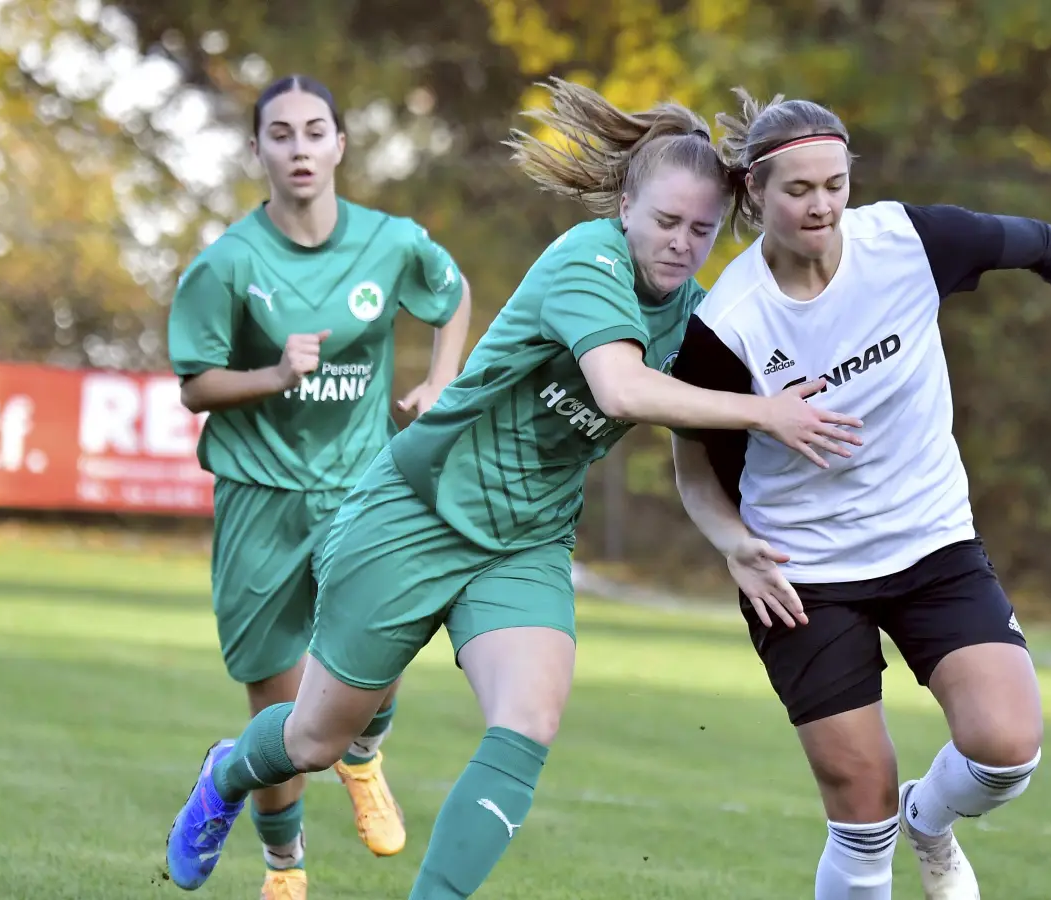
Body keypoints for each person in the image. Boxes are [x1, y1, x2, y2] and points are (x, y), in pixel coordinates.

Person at [162, 77, 863, 899]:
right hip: (416, 513)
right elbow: (621, 390)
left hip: (526, 542)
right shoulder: (587, 261)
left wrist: (734, 540)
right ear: (626, 207)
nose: (681, 243)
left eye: (701, 230)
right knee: (314, 741)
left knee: (528, 721)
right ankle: (226, 773)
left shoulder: (698, 317)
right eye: (666, 221)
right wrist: (766, 412)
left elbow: (693, 446)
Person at [668, 89, 1051, 900]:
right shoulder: (728, 323)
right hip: (803, 575)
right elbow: (693, 463)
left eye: (835, 184)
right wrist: (736, 546)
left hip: (931, 542)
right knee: (859, 813)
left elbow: (1046, 245)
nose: (822, 205)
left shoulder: (907, 241)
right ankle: (886, 828)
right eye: (799, 190)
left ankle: (928, 819)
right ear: (754, 192)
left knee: (1007, 749)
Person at [165, 74, 473, 899]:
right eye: (280, 134)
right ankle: (283, 867)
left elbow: (452, 297)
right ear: (257, 150)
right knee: (283, 712)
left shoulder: (391, 243)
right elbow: (195, 386)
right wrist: (273, 374)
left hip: (360, 486)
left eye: (313, 131)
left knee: (388, 639)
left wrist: (441, 379)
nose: (298, 148)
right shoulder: (227, 264)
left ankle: (364, 756)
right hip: (260, 495)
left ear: (339, 144)